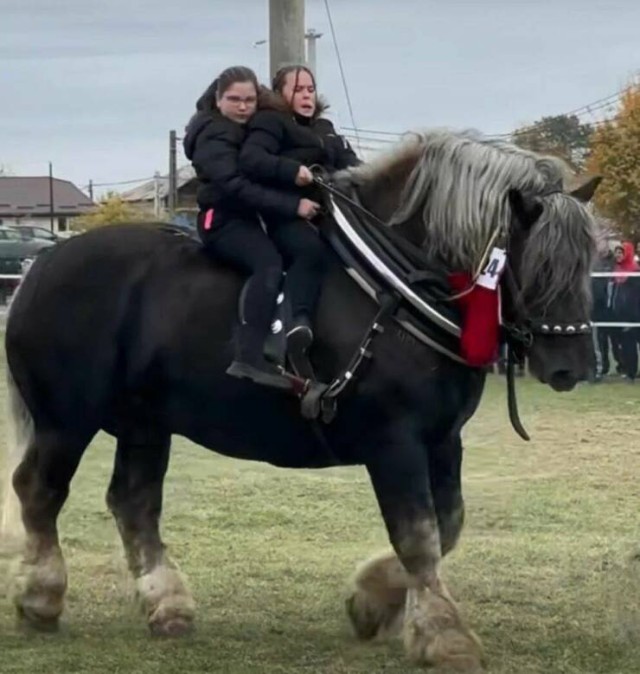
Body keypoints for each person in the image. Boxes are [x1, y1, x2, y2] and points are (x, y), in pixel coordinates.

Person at [183, 66, 316, 388]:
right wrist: (292, 205)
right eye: (234, 100)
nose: (242, 107)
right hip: (223, 220)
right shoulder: (213, 133)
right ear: (218, 99)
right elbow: (235, 185)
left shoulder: (238, 129)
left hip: (246, 216)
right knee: (267, 264)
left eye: (249, 100)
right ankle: (249, 356)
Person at [240, 65, 360, 356]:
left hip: (328, 214)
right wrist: (292, 171)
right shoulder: (270, 122)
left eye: (310, 89)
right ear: (281, 94)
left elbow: (353, 165)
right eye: (297, 90)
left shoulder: (325, 129)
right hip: (285, 214)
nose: (306, 95)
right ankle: (297, 321)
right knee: (310, 251)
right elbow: (252, 159)